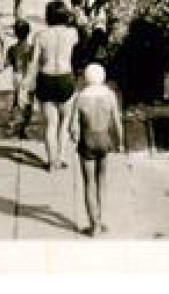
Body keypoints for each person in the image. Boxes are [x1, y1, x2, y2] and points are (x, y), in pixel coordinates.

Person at [68, 63, 125, 237]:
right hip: (104, 140)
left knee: (89, 183)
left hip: (87, 141)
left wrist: (75, 137)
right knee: (102, 181)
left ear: (86, 78)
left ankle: (94, 225)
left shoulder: (80, 97)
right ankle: (101, 219)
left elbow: (72, 127)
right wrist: (120, 143)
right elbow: (117, 123)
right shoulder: (110, 95)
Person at [33, 0, 81, 171]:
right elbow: (79, 30)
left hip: (45, 78)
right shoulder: (72, 34)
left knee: (50, 124)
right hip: (65, 78)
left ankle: (51, 162)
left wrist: (26, 84)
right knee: (64, 122)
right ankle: (61, 157)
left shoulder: (40, 36)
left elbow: (33, 63)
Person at [5, 19, 36, 138]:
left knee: (17, 103)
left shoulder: (12, 49)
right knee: (29, 103)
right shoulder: (32, 48)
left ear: (15, 33)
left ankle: (14, 125)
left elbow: (6, 64)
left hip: (18, 77)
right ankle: (24, 127)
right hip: (30, 77)